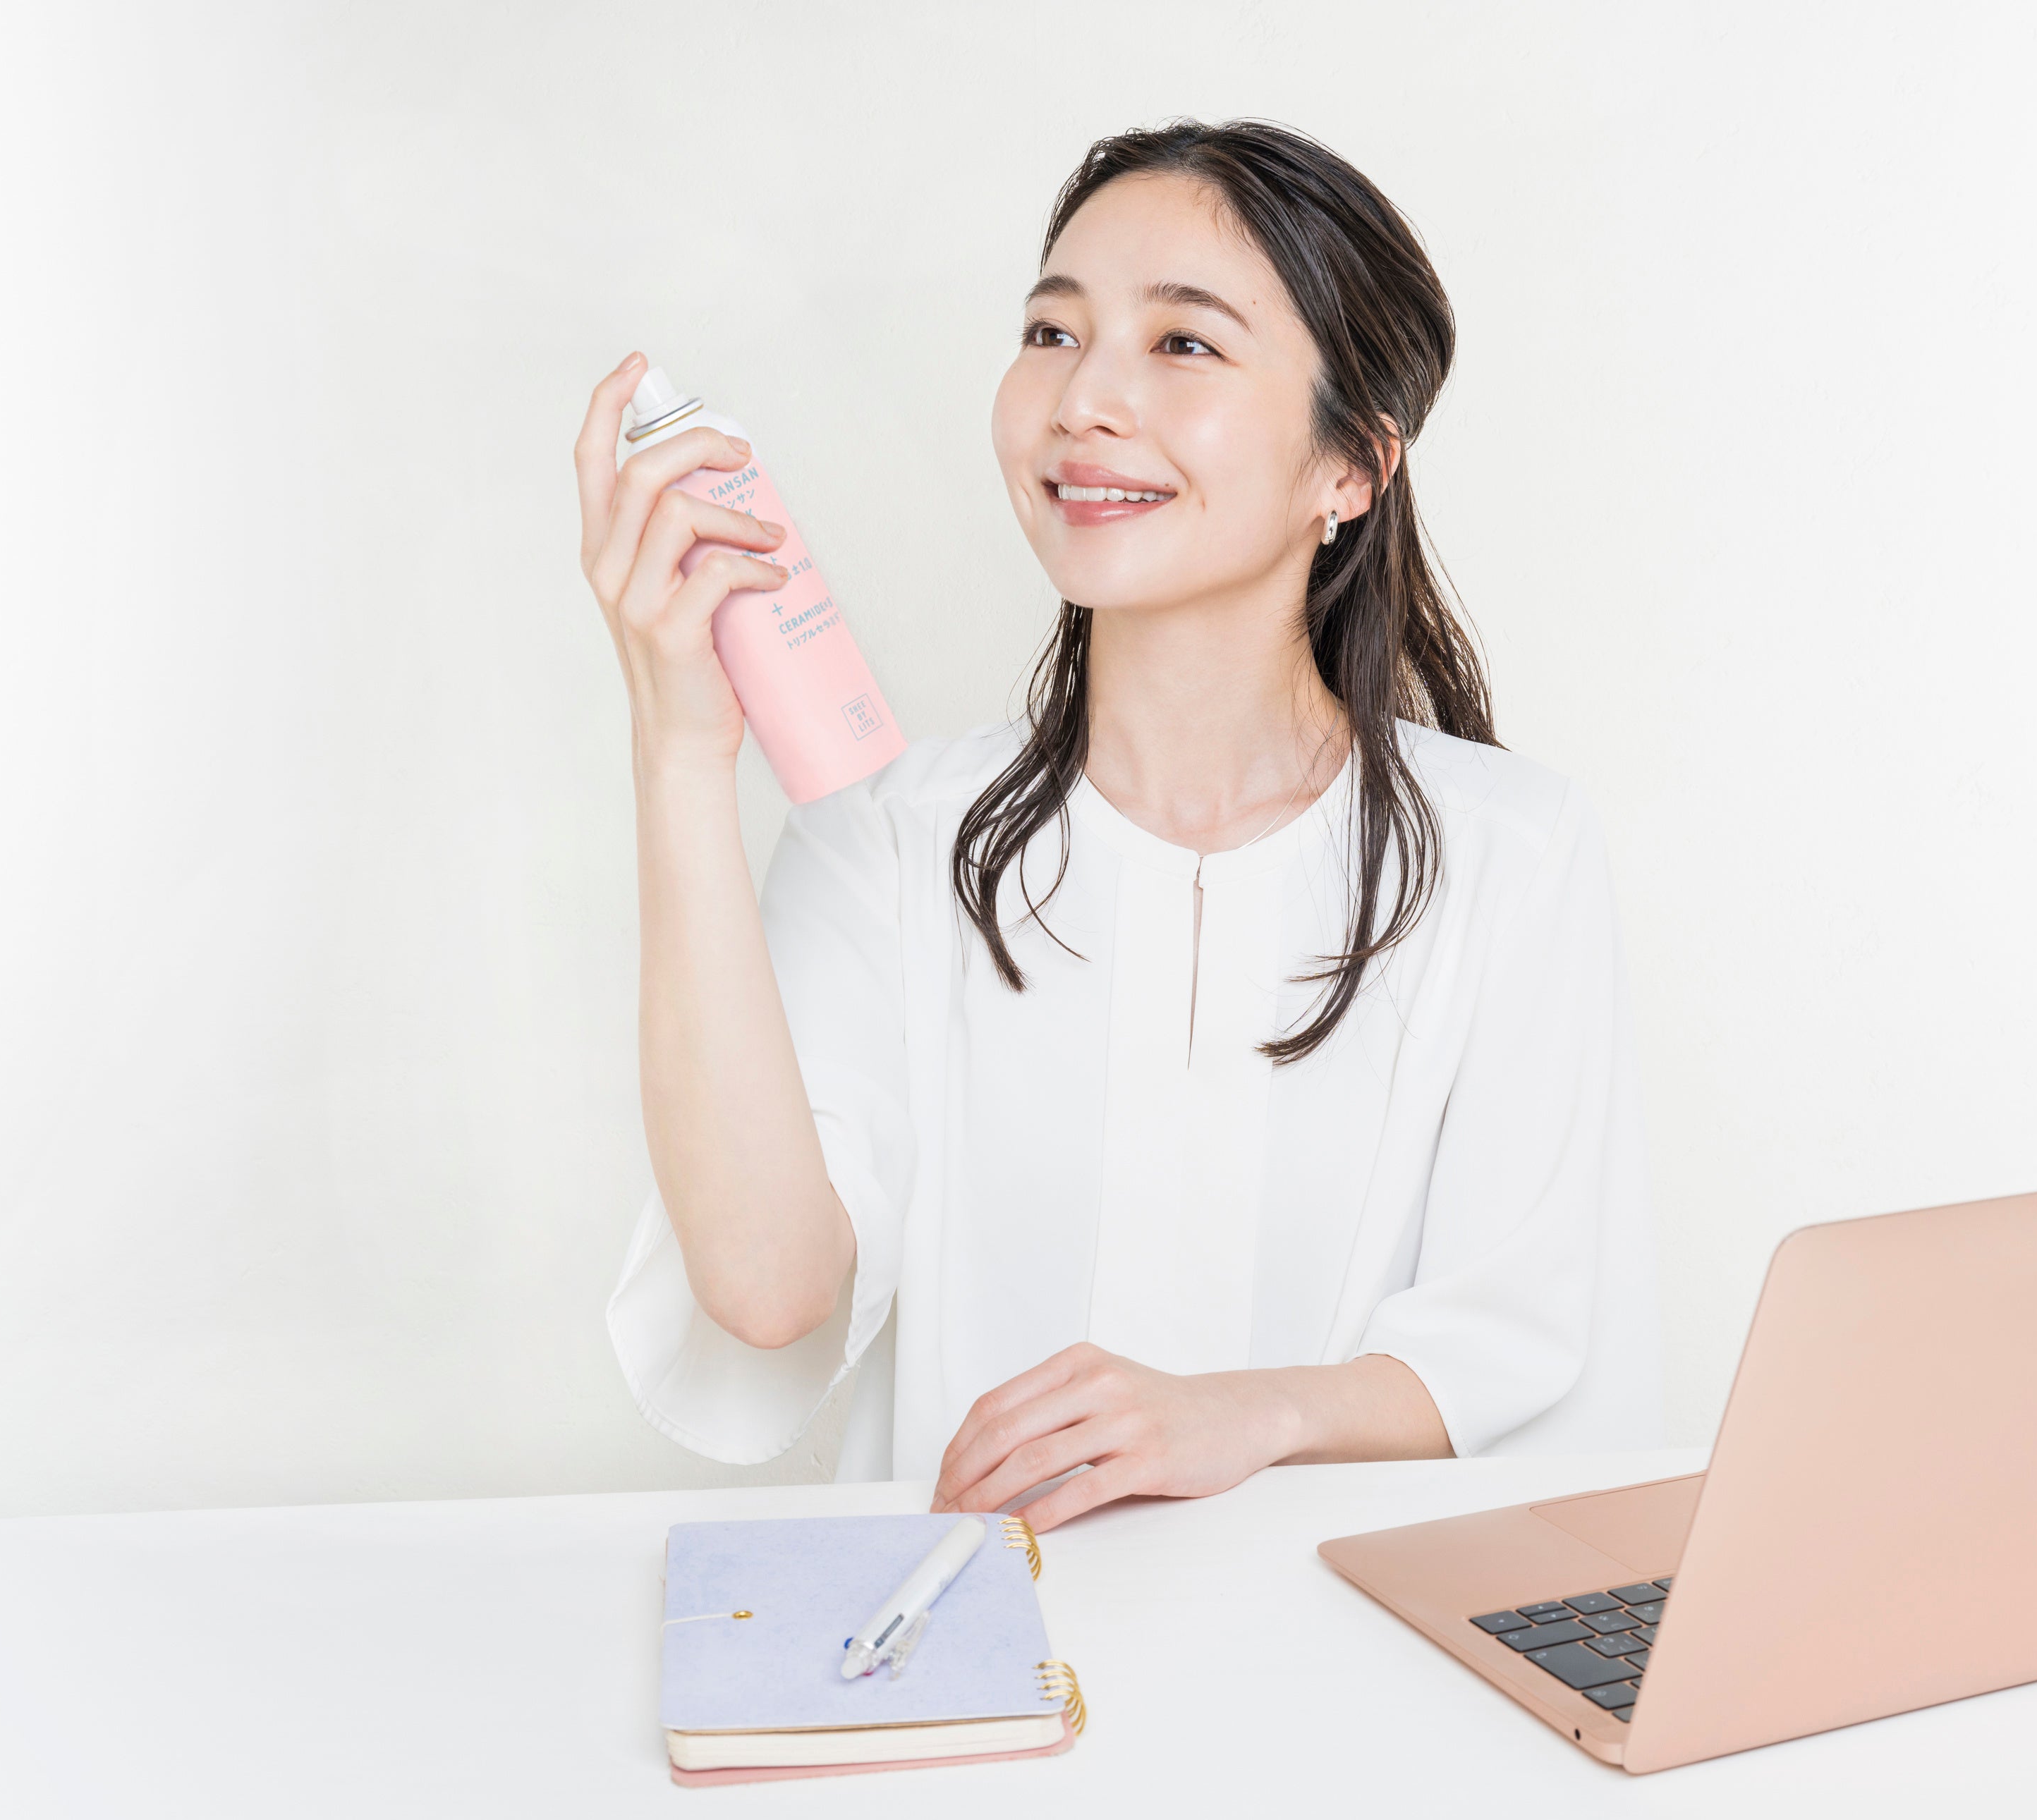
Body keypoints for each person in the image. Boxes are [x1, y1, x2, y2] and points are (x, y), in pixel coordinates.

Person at [573, 118, 1658, 1534]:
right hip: (976, 1638)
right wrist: (678, 752)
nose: (1083, 398)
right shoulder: (888, 841)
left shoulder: (1512, 854)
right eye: (1052, 332)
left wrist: (1247, 1412)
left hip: (1341, 1646)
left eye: (1183, 343)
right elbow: (767, 1288)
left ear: (1352, 466)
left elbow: (1519, 1344)